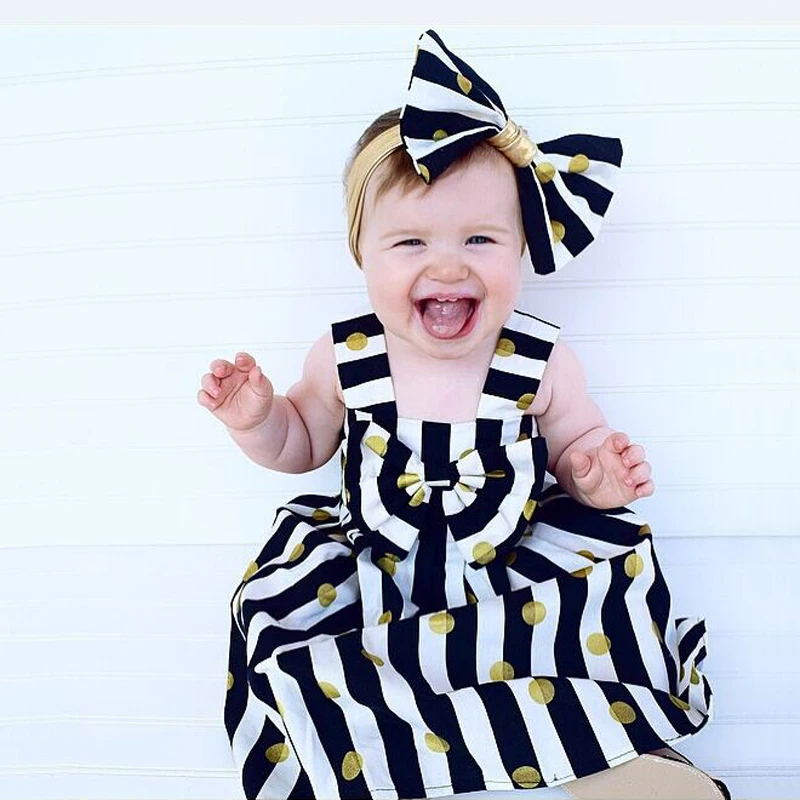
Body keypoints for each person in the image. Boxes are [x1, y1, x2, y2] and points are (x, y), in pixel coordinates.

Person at [198, 29, 730, 800]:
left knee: (583, 615)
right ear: (362, 254)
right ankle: (358, 759)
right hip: (375, 570)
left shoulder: (539, 360)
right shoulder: (345, 357)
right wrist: (258, 421)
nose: (447, 264)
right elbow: (302, 440)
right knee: (287, 627)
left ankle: (613, 755)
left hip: (506, 567)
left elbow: (577, 442)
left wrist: (594, 474)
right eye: (410, 241)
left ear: (521, 247)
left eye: (480, 238)